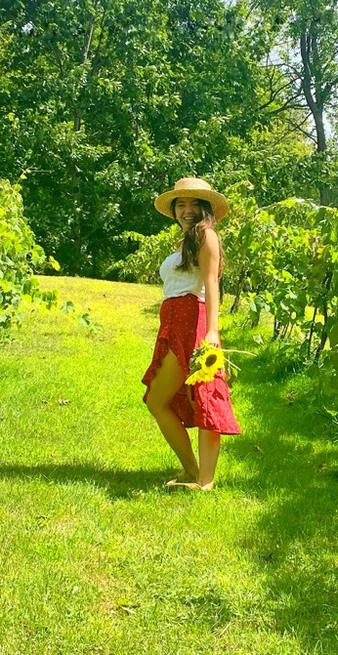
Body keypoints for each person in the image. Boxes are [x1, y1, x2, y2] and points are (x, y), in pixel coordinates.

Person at [142, 176, 241, 490]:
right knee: (158, 400)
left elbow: (212, 284)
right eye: (180, 204)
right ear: (174, 210)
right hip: (174, 324)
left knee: (204, 397)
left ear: (205, 207)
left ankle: (206, 481)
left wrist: (213, 330)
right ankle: (192, 471)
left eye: (193, 204)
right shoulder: (185, 240)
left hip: (194, 324)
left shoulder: (207, 235)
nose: (186, 210)